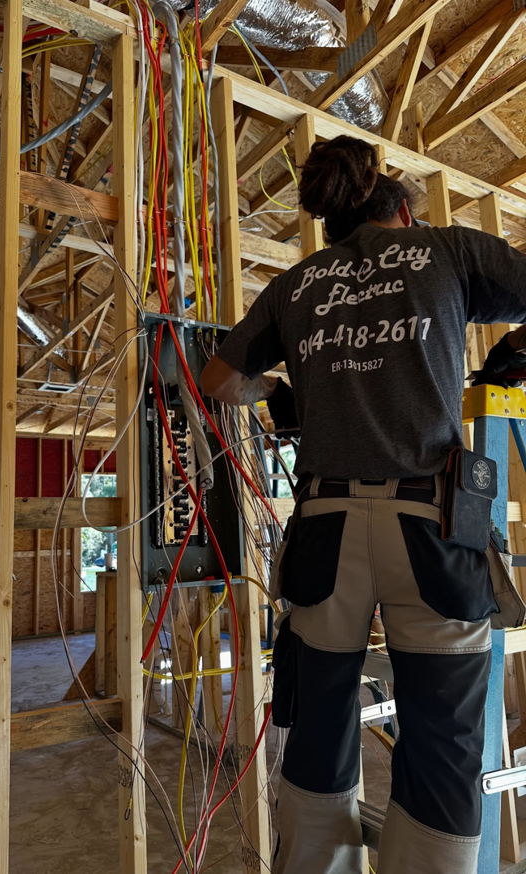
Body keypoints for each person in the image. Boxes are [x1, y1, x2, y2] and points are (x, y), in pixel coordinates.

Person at [200, 135, 526, 874]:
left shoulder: (296, 283)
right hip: (432, 527)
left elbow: (219, 378)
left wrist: (282, 398)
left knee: (317, 724)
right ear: (403, 212)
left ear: (334, 224)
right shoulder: (445, 251)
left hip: (326, 533)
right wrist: (514, 356)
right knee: (443, 738)